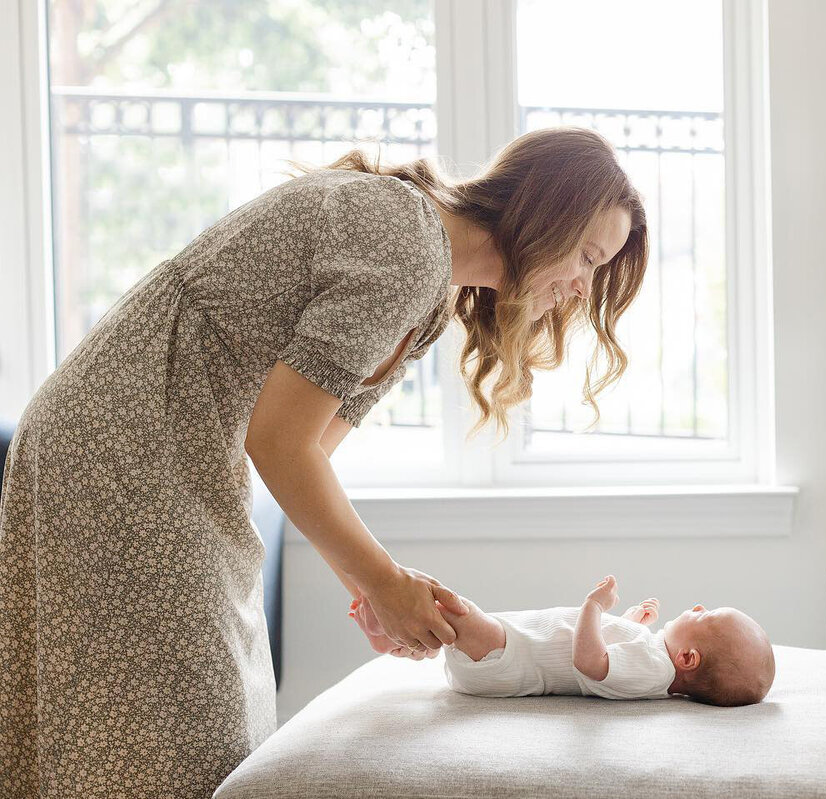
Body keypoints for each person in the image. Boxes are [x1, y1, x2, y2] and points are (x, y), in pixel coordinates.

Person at [0, 126, 649, 797]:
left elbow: (308, 452)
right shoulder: (404, 242)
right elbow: (278, 443)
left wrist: (378, 586)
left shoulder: (427, 299)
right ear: (547, 215)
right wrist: (382, 580)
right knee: (166, 723)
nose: (582, 289)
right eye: (589, 256)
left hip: (161, 446)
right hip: (119, 440)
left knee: (200, 725)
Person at [352, 575, 775, 707]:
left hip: (510, 659)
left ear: (687, 657)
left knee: (453, 612)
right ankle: (395, 639)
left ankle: (393, 626)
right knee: (447, 626)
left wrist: (594, 606)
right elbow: (613, 653)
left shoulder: (654, 672)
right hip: (511, 647)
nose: (699, 606)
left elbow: (591, 662)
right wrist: (628, 620)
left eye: (708, 614)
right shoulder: (652, 661)